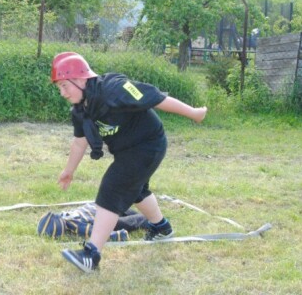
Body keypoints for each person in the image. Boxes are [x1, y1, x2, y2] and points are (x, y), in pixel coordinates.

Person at [51, 52, 207, 273]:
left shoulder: (114, 89)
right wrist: (69, 171)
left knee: (112, 189)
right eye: (59, 88)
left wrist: (194, 113)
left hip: (149, 143)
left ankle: (91, 254)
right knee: (136, 190)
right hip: (126, 150)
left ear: (82, 79)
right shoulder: (81, 109)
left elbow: (156, 98)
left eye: (65, 86)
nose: (62, 93)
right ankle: (161, 227)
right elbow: (79, 142)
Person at [37, 202, 148, 241]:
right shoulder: (64, 214)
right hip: (104, 204)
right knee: (130, 214)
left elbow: (94, 232)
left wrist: (119, 235)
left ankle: (153, 221)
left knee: (138, 221)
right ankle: (150, 216)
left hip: (106, 215)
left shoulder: (73, 224)